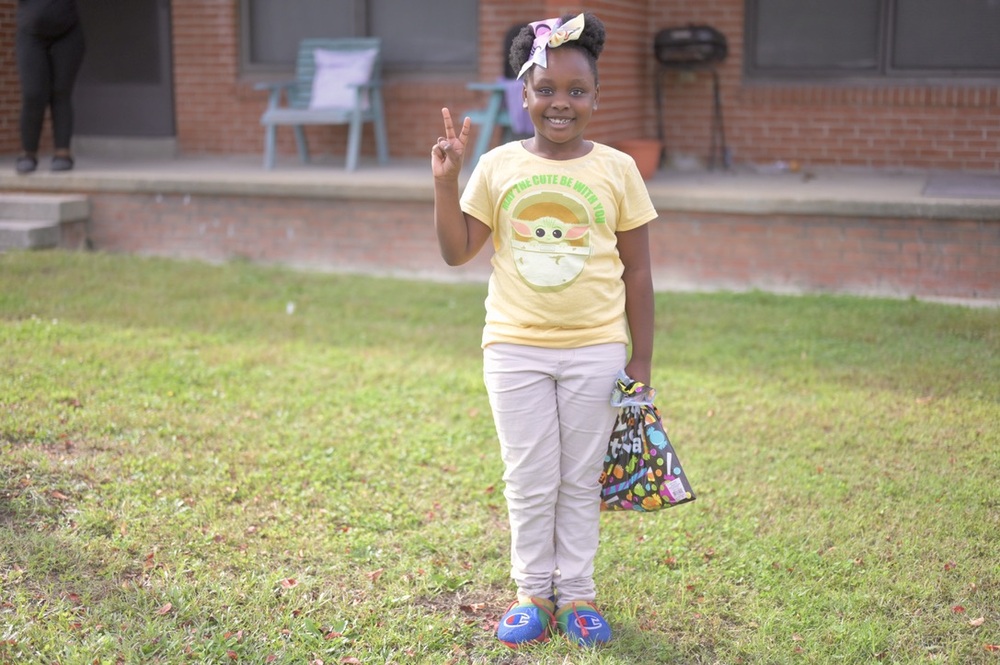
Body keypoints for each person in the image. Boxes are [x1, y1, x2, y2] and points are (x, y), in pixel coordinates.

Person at [431, 12, 657, 649]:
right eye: (546, 89)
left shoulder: (617, 170)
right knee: (530, 477)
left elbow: (637, 272)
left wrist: (640, 361)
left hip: (596, 350)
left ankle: (578, 593)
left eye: (576, 90)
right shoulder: (498, 166)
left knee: (579, 478)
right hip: (513, 348)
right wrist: (446, 183)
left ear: (596, 97)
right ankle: (533, 591)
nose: (561, 103)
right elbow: (457, 251)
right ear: (522, 95)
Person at [14, 0, 86, 174]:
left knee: (61, 92)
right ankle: (28, 153)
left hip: (68, 33)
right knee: (33, 94)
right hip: (30, 33)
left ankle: (63, 153)